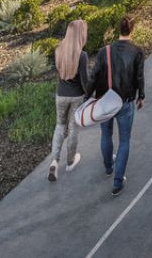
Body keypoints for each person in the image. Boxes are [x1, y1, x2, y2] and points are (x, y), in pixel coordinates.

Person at [92, 14, 146, 197]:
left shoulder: (103, 51)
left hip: (105, 101)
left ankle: (108, 167)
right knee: (124, 141)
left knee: (105, 134)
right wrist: (142, 96)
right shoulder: (137, 52)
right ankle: (117, 182)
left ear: (118, 29)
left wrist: (87, 99)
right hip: (125, 101)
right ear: (133, 29)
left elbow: (93, 76)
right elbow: (139, 77)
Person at [48, 19, 89, 183]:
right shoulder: (82, 55)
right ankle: (70, 161)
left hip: (61, 95)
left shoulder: (58, 50)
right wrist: (91, 96)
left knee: (59, 126)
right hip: (76, 96)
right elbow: (85, 81)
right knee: (73, 128)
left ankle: (54, 162)